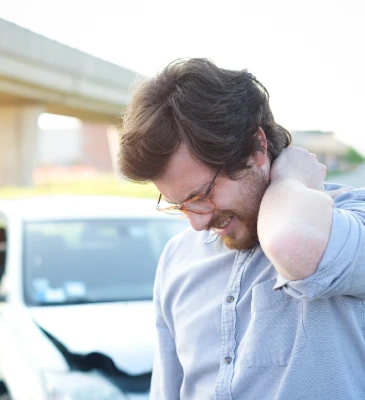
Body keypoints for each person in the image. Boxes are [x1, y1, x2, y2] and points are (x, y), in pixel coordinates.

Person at [118, 58, 365, 400]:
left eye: (202, 195)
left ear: (257, 148)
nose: (197, 222)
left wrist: (290, 178)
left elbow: (295, 245)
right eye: (180, 204)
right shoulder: (178, 256)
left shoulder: (353, 218)